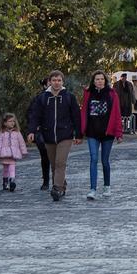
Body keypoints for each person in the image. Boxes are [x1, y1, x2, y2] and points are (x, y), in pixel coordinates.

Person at [27, 70, 82, 202]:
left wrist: (79, 134)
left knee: (60, 162)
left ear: (62, 82)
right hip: (48, 134)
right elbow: (35, 115)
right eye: (54, 80)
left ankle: (57, 188)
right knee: (53, 163)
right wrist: (31, 131)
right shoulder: (43, 98)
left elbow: (76, 116)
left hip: (65, 135)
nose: (56, 83)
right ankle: (62, 185)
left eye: (59, 80)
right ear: (49, 82)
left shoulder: (69, 96)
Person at [80, 70, 123, 199]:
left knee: (105, 161)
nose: (99, 81)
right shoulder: (88, 93)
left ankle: (107, 186)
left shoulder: (111, 94)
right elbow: (83, 112)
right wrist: (80, 132)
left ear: (105, 81)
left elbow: (117, 114)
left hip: (107, 133)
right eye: (97, 79)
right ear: (93, 81)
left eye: (102, 79)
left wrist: (118, 133)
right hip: (92, 132)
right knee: (93, 159)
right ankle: (92, 189)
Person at [27, 78, 51, 191]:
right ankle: (46, 180)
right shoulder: (39, 98)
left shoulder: (64, 96)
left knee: (58, 158)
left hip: (58, 132)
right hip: (42, 132)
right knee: (45, 157)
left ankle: (60, 180)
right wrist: (33, 129)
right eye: (50, 82)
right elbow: (31, 113)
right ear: (45, 85)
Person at [0, 113, 27, 192]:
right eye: (10, 121)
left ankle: (12, 181)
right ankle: (5, 183)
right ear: (4, 123)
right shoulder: (1, 132)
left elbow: (21, 143)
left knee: (12, 167)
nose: (12, 123)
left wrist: (24, 151)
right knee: (5, 169)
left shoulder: (17, 132)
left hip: (13, 154)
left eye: (14, 121)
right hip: (4, 154)